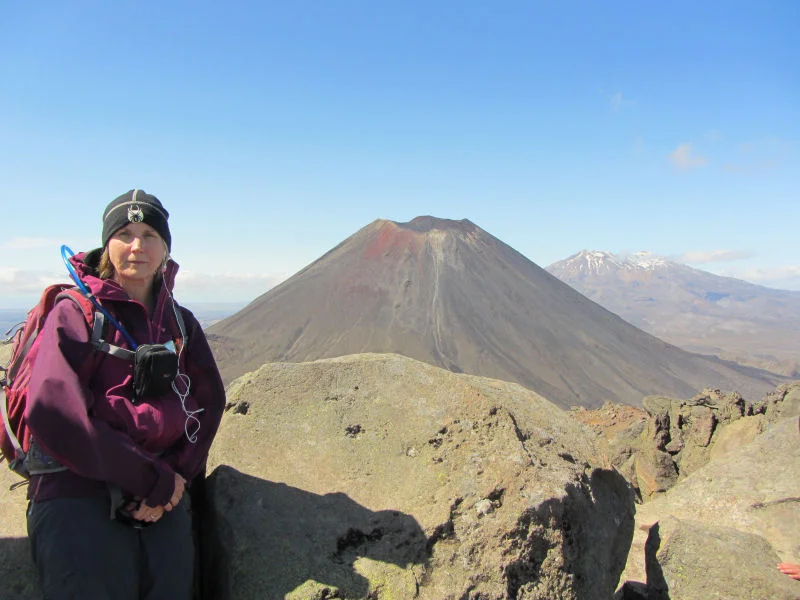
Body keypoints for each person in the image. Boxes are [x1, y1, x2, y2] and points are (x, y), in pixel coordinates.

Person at [25, 189, 226, 599]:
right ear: (107, 243)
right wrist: (150, 478)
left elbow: (208, 404)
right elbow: (55, 415)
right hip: (77, 490)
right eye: (125, 233)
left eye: (150, 233)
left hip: (160, 497)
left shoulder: (180, 323)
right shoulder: (75, 313)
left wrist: (173, 482)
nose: (138, 246)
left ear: (166, 246)